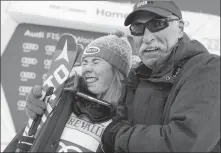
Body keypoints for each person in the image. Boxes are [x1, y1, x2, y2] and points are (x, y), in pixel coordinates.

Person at [101, 1, 220, 152]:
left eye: (157, 24)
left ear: (180, 29)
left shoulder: (209, 69)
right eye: (138, 28)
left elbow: (182, 144)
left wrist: (115, 136)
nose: (147, 37)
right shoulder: (136, 77)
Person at [3, 33, 132, 152]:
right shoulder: (64, 100)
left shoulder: (127, 118)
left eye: (96, 62)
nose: (87, 68)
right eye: (85, 62)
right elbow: (22, 139)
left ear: (117, 71)